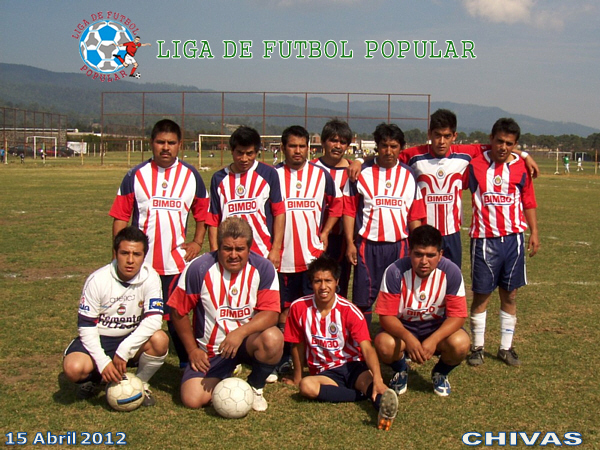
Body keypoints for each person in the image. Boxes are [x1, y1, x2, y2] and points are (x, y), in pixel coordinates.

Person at [347, 109, 539, 268]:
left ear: (454, 136)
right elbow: (387, 154)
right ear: (429, 134)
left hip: (451, 233)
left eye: (447, 136)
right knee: (420, 282)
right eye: (437, 135)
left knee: (450, 282)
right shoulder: (414, 155)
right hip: (423, 232)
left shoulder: (465, 154)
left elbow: (498, 145)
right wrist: (359, 160)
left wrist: (524, 155)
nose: (441, 141)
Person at [109, 119, 209, 369]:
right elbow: (121, 216)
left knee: (177, 315)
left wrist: (197, 242)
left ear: (179, 145)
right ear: (151, 143)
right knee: (135, 313)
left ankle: (186, 363)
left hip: (176, 263)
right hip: (141, 264)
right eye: (160, 142)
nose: (166, 147)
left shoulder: (191, 176)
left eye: (171, 143)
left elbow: (203, 212)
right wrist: (118, 254)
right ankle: (128, 360)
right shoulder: (135, 175)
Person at [168, 217, 283, 411]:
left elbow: (271, 313)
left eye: (240, 249)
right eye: (227, 249)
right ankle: (226, 374)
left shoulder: (263, 268)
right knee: (192, 399)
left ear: (249, 248)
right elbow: (177, 311)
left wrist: (240, 333)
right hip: (212, 351)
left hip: (246, 343)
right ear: (218, 247)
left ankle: (255, 386)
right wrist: (193, 351)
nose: (233, 255)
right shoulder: (199, 268)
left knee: (273, 338)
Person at [283, 255, 399, 431]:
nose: (323, 287)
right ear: (311, 283)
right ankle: (359, 395)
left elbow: (367, 348)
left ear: (337, 282)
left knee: (374, 386)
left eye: (328, 281)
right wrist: (297, 378)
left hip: (352, 366)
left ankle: (383, 410)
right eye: (318, 281)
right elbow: (297, 344)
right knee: (306, 386)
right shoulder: (298, 308)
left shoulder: (350, 311)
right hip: (324, 372)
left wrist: (378, 378)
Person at [63, 227, 169, 404]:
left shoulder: (151, 277)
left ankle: (140, 384)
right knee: (73, 368)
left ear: (144, 256)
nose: (130, 260)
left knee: (160, 340)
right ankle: (96, 379)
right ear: (115, 253)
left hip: (130, 338)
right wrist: (103, 362)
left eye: (137, 254)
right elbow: (86, 326)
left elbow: (154, 320)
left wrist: (124, 350)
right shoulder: (98, 280)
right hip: (100, 338)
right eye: (124, 253)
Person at [465, 118, 539, 367]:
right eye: (499, 141)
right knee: (482, 295)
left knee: (510, 295)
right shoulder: (474, 165)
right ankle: (477, 348)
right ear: (491, 139)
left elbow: (528, 201)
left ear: (515, 144)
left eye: (509, 143)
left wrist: (534, 232)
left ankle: (506, 348)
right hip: (484, 240)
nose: (503, 147)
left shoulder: (521, 168)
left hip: (513, 240)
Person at [274, 125, 343, 376]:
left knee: (314, 308)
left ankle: (315, 355)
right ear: (283, 148)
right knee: (284, 310)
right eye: (292, 146)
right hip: (282, 258)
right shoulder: (273, 175)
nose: (298, 151)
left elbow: (337, 205)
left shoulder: (320, 175)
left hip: (311, 257)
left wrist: (325, 232)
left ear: (309, 148)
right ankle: (283, 358)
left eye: (302, 146)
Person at [343, 123, 426, 325]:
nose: (388, 151)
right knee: (363, 298)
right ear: (377, 147)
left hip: (399, 245)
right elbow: (349, 210)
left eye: (394, 146)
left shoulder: (409, 175)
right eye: (384, 146)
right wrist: (350, 243)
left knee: (398, 295)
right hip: (367, 245)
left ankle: (394, 339)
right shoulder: (360, 173)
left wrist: (418, 247)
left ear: (401, 148)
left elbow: (414, 215)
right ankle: (362, 339)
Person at [374, 225, 470, 397]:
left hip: (435, 327)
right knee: (384, 344)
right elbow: (386, 316)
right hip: (404, 327)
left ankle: (440, 373)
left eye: (431, 255)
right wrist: (408, 338)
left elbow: (458, 316)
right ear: (409, 252)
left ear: (440, 254)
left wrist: (434, 339)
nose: (424, 261)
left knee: (461, 344)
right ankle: (401, 370)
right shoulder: (394, 272)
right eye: (418, 254)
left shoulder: (451, 272)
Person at [206, 125, 285, 269]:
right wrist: (214, 252)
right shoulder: (218, 178)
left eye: (249, 153)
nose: (244, 159)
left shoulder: (269, 174)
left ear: (257, 152)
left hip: (262, 253)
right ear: (232, 150)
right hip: (230, 255)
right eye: (240, 153)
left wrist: (275, 249)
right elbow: (213, 220)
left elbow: (279, 212)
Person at [311, 119, 354, 298]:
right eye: (333, 140)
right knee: (315, 281)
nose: (337, 146)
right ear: (323, 142)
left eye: (342, 142)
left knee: (339, 283)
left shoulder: (353, 170)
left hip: (343, 238)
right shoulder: (311, 168)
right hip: (315, 236)